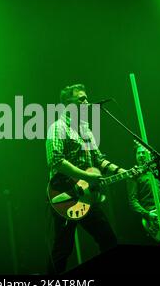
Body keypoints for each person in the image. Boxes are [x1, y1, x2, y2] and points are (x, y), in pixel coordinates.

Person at [45, 83, 135, 274]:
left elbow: (99, 160)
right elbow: (56, 161)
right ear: (68, 104)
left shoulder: (86, 130)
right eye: (81, 99)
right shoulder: (58, 127)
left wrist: (125, 172)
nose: (87, 102)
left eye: (86, 98)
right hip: (65, 193)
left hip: (86, 197)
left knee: (108, 240)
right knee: (63, 249)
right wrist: (87, 176)